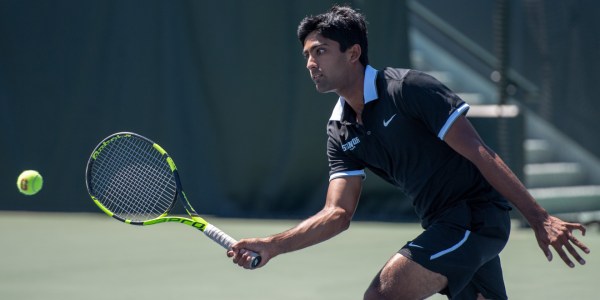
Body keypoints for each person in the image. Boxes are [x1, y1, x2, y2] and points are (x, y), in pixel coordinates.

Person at [228, 5, 590, 299]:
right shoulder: (339, 131)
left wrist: (538, 217)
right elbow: (337, 212)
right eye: (307, 54)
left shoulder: (409, 90)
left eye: (320, 51)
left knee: (382, 297)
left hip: (474, 218)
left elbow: (481, 152)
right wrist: (273, 246)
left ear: (353, 53)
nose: (311, 63)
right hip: (440, 223)